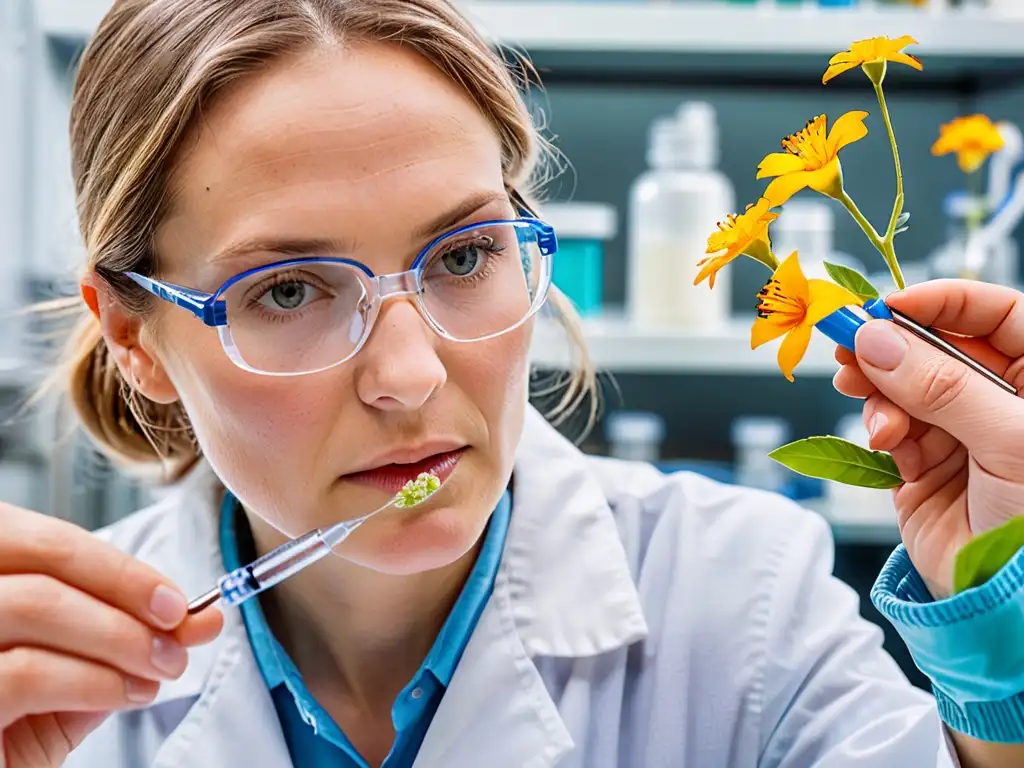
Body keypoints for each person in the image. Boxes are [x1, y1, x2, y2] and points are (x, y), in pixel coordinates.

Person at [1, 1, 1023, 766]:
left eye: (460, 257)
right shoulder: (49, 684)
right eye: (288, 290)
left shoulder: (737, 595)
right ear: (133, 335)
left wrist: (1002, 672)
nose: (407, 375)